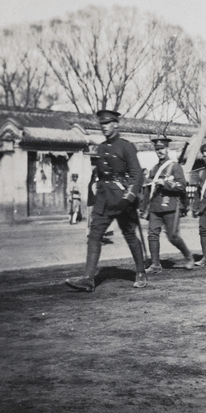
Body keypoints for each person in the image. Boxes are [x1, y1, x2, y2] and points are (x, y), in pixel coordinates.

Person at [65, 110, 146, 292]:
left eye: (108, 123)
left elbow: (137, 175)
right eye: (102, 124)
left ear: (116, 124)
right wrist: (93, 192)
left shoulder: (126, 147)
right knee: (94, 235)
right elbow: (99, 174)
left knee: (130, 235)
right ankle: (88, 278)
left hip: (122, 199)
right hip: (104, 199)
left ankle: (140, 272)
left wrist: (129, 198)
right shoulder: (101, 148)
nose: (104, 127)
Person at [144, 137, 194, 273]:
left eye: (161, 149)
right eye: (157, 149)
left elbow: (182, 186)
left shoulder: (174, 166)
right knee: (152, 234)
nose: (159, 151)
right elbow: (149, 188)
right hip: (155, 206)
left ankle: (189, 257)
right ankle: (155, 264)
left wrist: (164, 183)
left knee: (173, 236)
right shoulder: (154, 168)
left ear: (167, 149)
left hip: (170, 205)